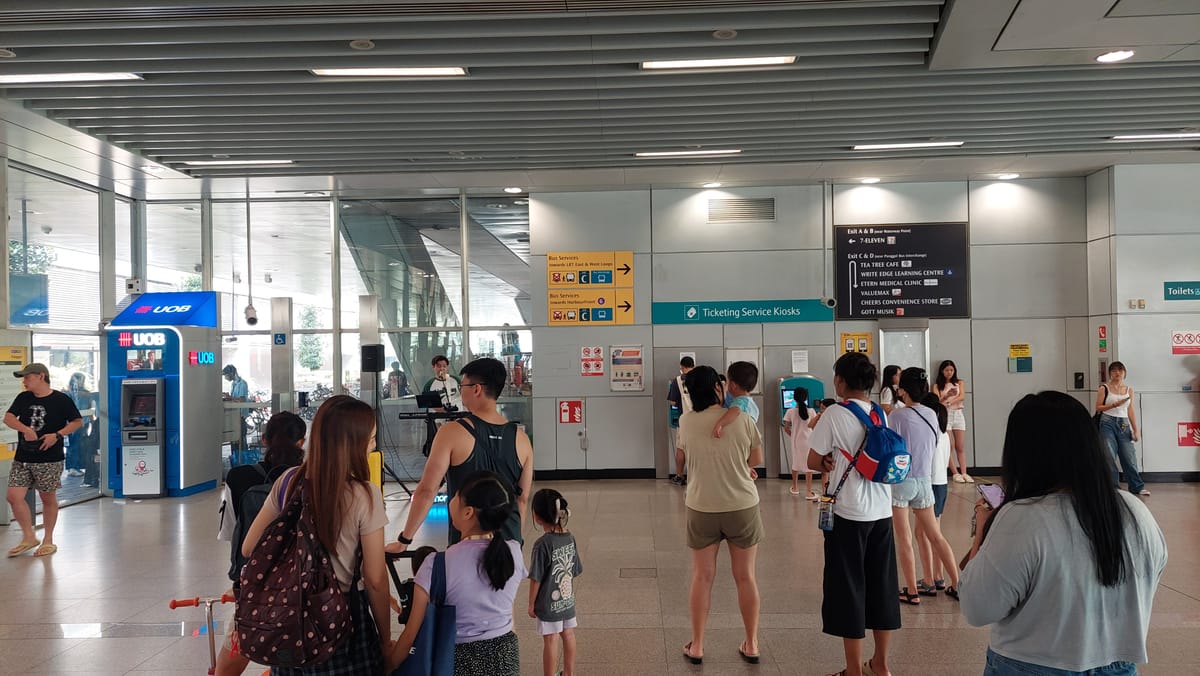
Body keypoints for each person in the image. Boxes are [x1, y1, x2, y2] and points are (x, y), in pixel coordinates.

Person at [960, 391, 1167, 676]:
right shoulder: (1135, 511)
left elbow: (977, 608)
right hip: (1118, 665)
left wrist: (981, 531)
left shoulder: (1022, 517)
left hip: (1029, 665)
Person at [240, 395, 391, 675]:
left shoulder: (288, 481)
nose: (373, 446)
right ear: (353, 444)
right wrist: (385, 639)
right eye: (370, 440)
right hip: (340, 619)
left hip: (288, 618)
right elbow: (375, 578)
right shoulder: (364, 494)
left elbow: (250, 548)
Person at [807, 352, 899, 676]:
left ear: (841, 381)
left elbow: (813, 460)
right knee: (882, 586)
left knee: (849, 588)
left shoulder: (834, 413)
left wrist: (827, 462)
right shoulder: (879, 414)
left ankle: (852, 671)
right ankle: (881, 664)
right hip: (882, 511)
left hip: (848, 512)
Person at [386, 471, 526, 676]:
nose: (450, 500)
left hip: (456, 661)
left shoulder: (436, 565)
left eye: (455, 496)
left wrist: (389, 665)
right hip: (505, 657)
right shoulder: (514, 552)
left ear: (468, 512)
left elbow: (410, 636)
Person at [390, 357, 534, 551]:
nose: (460, 391)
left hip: (466, 545)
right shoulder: (522, 439)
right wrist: (516, 542)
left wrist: (404, 540)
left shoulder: (451, 433)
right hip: (509, 547)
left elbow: (427, 491)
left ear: (476, 389)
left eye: (462, 386)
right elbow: (522, 499)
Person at [678, 365, 764, 665]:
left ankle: (698, 645)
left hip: (702, 506)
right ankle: (751, 643)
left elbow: (684, 457)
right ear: (718, 387)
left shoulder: (686, 421)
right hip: (742, 505)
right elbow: (757, 460)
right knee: (745, 576)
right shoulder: (742, 418)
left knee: (702, 577)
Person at [215, 411, 306, 676]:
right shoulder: (308, 477)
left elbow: (230, 532)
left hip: (252, 580)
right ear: (302, 442)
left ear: (264, 440)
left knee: (231, 659)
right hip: (299, 579)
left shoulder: (238, 476)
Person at [886, 368, 960, 606]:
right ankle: (958, 584)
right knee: (936, 536)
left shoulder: (897, 416)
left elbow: (891, 448)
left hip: (902, 481)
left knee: (905, 538)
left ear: (902, 391)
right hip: (925, 481)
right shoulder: (932, 413)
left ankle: (911, 591)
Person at [4, 363, 83, 558]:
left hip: (49, 458)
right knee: (13, 497)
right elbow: (8, 418)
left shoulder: (61, 399)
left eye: (27, 377)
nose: (24, 381)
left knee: (47, 498)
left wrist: (56, 435)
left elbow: (77, 421)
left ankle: (48, 540)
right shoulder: (24, 398)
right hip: (23, 457)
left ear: (41, 376)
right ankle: (29, 536)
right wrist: (26, 430)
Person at [527, 488, 583, 676]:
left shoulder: (542, 544)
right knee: (568, 634)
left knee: (550, 640)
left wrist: (531, 604)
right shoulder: (570, 538)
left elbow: (535, 578)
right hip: (567, 600)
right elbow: (575, 570)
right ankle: (568, 673)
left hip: (548, 603)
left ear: (536, 516)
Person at [914, 398, 952, 596]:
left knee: (924, 534)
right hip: (941, 484)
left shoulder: (930, 431)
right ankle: (938, 576)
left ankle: (930, 579)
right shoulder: (943, 432)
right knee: (933, 532)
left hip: (930, 483)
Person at [1095, 361, 1148, 497]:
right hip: (1107, 423)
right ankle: (1113, 488)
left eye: (1120, 370)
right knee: (1109, 456)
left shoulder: (1129, 390)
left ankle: (1137, 487)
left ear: (1124, 373)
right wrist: (1114, 405)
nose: (1117, 373)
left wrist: (1136, 430)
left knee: (1129, 456)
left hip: (1124, 424)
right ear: (1110, 373)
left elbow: (1130, 410)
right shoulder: (1104, 388)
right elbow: (1098, 407)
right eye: (1113, 371)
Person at [933, 359, 971, 483]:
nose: (949, 372)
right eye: (946, 370)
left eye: (951, 370)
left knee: (960, 445)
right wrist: (947, 396)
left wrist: (950, 401)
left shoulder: (959, 382)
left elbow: (962, 396)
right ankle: (955, 473)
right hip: (945, 415)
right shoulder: (937, 385)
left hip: (958, 413)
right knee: (950, 446)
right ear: (942, 371)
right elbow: (937, 401)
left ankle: (964, 472)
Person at [782, 387, 819, 500]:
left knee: (796, 463)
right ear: (806, 397)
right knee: (808, 465)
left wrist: (793, 435)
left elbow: (786, 428)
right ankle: (808, 492)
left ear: (794, 398)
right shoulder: (812, 411)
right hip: (808, 441)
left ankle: (795, 488)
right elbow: (814, 426)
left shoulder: (790, 411)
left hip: (796, 441)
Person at [712, 361, 760, 438]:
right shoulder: (751, 403)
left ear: (733, 385)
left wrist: (720, 424)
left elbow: (735, 411)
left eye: (728, 381)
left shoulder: (740, 401)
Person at [667, 356, 695, 486]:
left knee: (681, 449)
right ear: (693, 365)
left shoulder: (677, 381)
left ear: (682, 367)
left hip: (684, 421)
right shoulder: (701, 378)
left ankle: (679, 476)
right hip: (702, 420)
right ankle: (697, 476)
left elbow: (673, 401)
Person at [65, 372, 90, 476]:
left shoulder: (84, 393)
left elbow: (88, 407)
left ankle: (75, 466)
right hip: (74, 422)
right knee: (73, 445)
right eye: (80, 380)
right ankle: (73, 467)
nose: (81, 382)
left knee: (77, 444)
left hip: (82, 421)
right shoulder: (69, 393)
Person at [222, 364, 250, 453]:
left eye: (226, 375)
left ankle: (243, 462)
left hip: (240, 417)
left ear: (232, 373)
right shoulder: (234, 384)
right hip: (234, 417)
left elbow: (242, 399)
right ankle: (235, 460)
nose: (225, 377)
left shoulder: (242, 384)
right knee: (234, 443)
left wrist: (229, 397)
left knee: (241, 442)